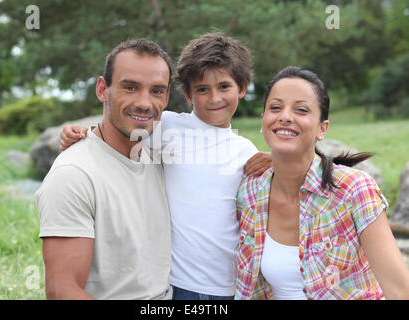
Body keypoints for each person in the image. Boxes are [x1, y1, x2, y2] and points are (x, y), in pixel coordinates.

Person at [60, 32, 272, 300]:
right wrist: (78, 133)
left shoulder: (246, 152)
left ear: (242, 88)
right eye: (202, 89)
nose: (214, 98)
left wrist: (280, 159)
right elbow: (120, 131)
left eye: (224, 87)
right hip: (176, 284)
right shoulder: (169, 127)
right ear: (187, 93)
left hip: (229, 286)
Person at [236, 66, 409, 300]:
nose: (285, 116)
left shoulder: (353, 190)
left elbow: (400, 290)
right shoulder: (251, 192)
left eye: (301, 110)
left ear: (322, 129)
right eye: (275, 107)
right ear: (263, 120)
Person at [36, 39, 174, 299]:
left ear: (166, 97)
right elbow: (62, 290)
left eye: (156, 91)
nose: (144, 103)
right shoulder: (74, 175)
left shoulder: (161, 159)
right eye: (130, 87)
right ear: (102, 89)